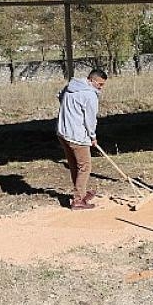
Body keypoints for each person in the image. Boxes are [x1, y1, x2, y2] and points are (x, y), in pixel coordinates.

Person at [56, 69, 107, 210]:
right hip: (77, 136)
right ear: (91, 80)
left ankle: (81, 192)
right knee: (85, 167)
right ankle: (78, 200)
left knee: (74, 165)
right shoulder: (90, 96)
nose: (101, 88)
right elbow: (90, 119)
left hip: (62, 132)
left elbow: (59, 96)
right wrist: (93, 136)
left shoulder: (70, 86)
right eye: (100, 84)